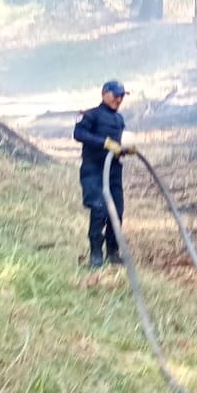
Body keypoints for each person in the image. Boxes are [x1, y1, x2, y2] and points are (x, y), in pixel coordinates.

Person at [73, 80, 135, 267]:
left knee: (117, 212)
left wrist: (125, 149)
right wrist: (104, 142)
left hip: (113, 171)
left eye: (122, 96)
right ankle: (95, 254)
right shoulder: (90, 115)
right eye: (115, 95)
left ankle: (113, 253)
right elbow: (79, 134)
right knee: (99, 209)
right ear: (103, 93)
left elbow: (119, 143)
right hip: (93, 170)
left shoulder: (119, 119)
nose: (119, 99)